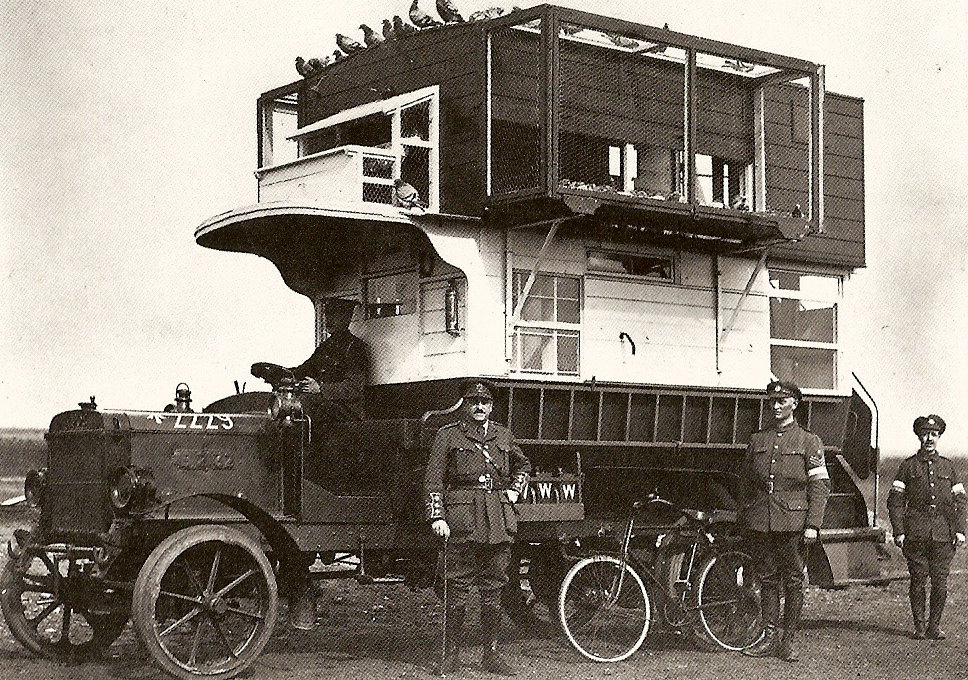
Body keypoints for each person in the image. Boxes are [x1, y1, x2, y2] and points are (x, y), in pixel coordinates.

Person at [424, 379, 531, 676]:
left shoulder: (503, 435)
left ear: (491, 406)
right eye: (473, 402)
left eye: (484, 402)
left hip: (497, 518)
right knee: (456, 588)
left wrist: (514, 490)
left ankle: (491, 655)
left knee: (494, 588)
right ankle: (451, 655)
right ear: (465, 405)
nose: (479, 407)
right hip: (462, 521)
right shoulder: (448, 436)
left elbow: (523, 465)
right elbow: (433, 479)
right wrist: (437, 516)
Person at [738, 380, 830, 662]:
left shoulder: (808, 441)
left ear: (795, 404)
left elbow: (820, 486)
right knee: (766, 579)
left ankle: (787, 640)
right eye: (772, 402)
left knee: (792, 580)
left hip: (792, 522)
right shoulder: (758, 440)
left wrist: (813, 524)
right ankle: (768, 637)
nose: (776, 406)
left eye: (782, 401)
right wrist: (747, 512)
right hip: (762, 520)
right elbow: (746, 482)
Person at [887, 414, 966, 640]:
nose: (929, 438)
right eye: (925, 434)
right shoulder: (907, 466)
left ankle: (934, 627)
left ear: (939, 437)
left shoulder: (949, 468)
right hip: (916, 534)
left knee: (940, 583)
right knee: (918, 581)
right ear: (919, 436)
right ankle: (919, 627)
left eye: (934, 434)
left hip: (943, 534)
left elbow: (961, 501)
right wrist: (899, 531)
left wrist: (960, 530)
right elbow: (894, 501)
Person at [289, 297, 368, 419]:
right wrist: (284, 374)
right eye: (327, 315)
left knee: (304, 404)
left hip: (348, 412)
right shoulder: (326, 347)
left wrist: (320, 388)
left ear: (346, 318)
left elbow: (354, 389)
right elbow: (305, 369)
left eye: (334, 316)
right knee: (288, 404)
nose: (328, 320)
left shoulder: (355, 348)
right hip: (327, 405)